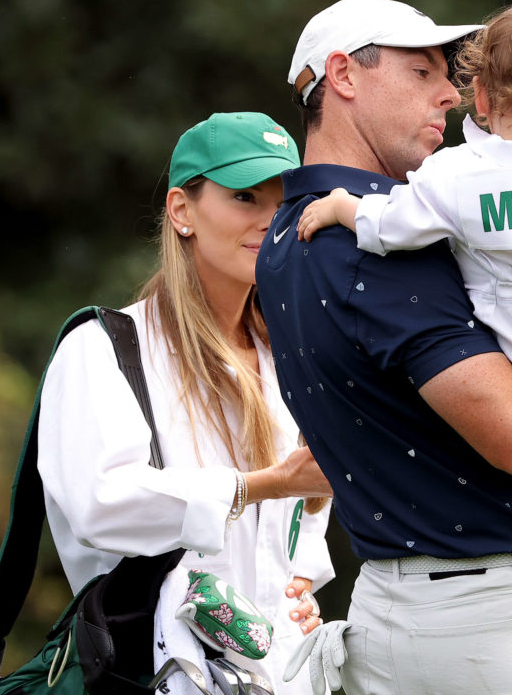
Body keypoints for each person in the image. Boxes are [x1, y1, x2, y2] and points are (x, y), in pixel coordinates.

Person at [258, 0, 512, 694]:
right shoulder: (375, 242)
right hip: (503, 617)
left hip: (389, 611)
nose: (450, 93)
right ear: (343, 75)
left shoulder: (284, 241)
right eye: (420, 72)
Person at [38, 112, 335, 695]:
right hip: (151, 675)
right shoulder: (104, 348)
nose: (267, 221)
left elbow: (298, 529)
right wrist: (262, 485)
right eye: (244, 197)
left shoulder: (292, 356)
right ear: (181, 211)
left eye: (284, 203)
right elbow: (101, 504)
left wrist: (296, 588)